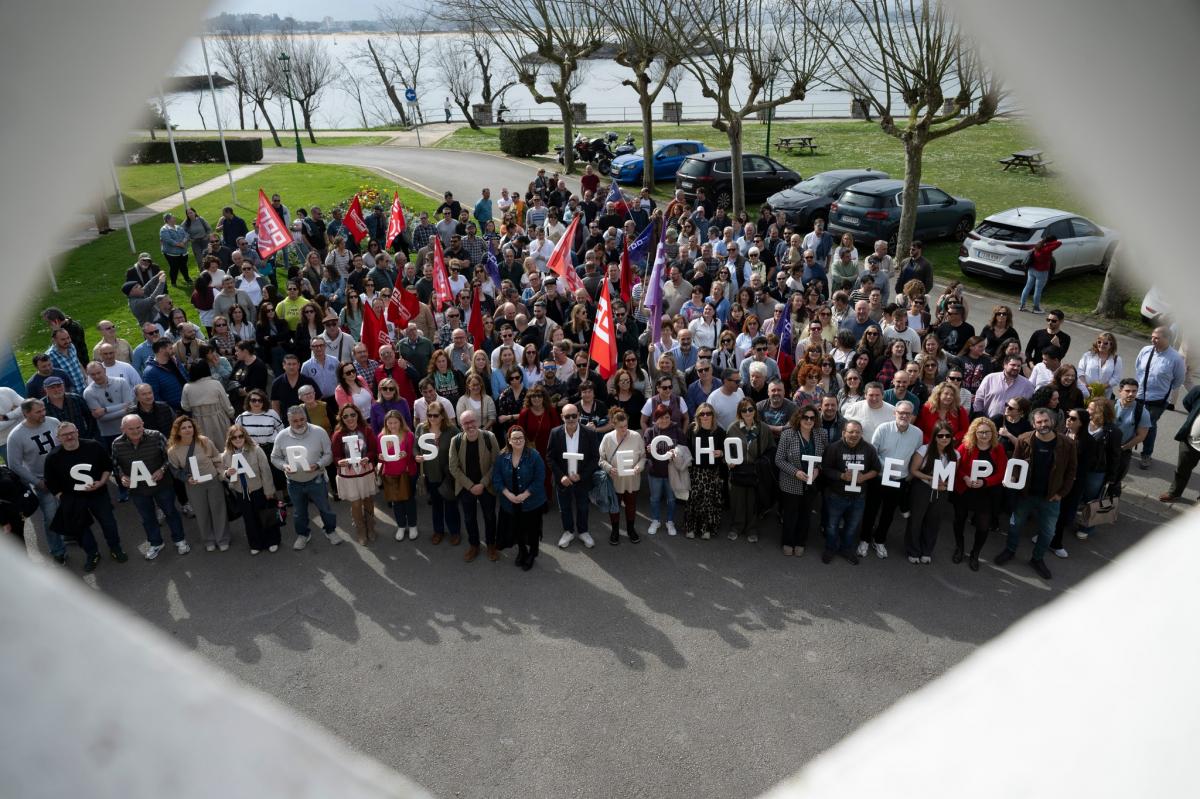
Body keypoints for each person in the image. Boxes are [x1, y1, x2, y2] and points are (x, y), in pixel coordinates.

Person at [996, 408, 1077, 580]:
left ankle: (1037, 559)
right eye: (1039, 422)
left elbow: (1071, 472)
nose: (1043, 425)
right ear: (1033, 424)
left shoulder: (1067, 444)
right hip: (1025, 494)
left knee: (1048, 532)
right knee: (1015, 526)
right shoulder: (1024, 439)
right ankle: (1010, 551)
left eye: (1046, 421)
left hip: (1051, 497)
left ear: (1052, 421)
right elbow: (1016, 465)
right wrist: (1011, 479)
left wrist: (1061, 494)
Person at [43, 422, 127, 571]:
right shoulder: (53, 457)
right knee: (81, 529)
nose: (69, 436)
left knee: (108, 523)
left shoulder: (93, 446)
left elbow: (107, 467)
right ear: (58, 438)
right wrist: (63, 498)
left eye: (72, 432)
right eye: (65, 435)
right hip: (73, 499)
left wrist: (101, 482)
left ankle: (115, 548)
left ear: (77, 432)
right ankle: (92, 554)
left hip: (98, 494)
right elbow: (50, 482)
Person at [112, 413, 188, 560]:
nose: (135, 431)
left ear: (143, 424)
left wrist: (162, 470)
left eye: (138, 427)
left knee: (171, 512)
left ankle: (180, 540)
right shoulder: (116, 444)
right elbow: (116, 465)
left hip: (162, 485)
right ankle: (156, 543)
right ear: (123, 429)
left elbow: (170, 458)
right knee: (147, 518)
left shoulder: (156, 436)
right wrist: (122, 476)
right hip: (138, 489)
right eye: (131, 428)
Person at [271, 406, 341, 551]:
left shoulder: (319, 432)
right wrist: (284, 466)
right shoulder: (282, 436)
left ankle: (330, 530)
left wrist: (318, 464)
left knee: (325, 509)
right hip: (294, 482)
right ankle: (303, 535)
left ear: (306, 418)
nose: (299, 423)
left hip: (316, 479)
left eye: (302, 419)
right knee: (299, 512)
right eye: (294, 421)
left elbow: (329, 455)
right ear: (288, 420)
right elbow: (274, 458)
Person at [863, 401, 924, 559]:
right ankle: (864, 539)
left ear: (912, 415)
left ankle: (880, 540)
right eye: (901, 412)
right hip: (879, 477)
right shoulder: (883, 429)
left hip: (899, 479)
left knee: (889, 513)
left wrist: (910, 474)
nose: (904, 416)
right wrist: (886, 466)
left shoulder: (918, 433)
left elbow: (915, 456)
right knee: (871, 509)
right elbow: (872, 452)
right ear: (894, 413)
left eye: (908, 413)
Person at [7, 399, 65, 562]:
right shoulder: (17, 435)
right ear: (26, 413)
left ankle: (69, 536)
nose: (43, 414)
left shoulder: (53, 422)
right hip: (42, 481)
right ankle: (58, 550)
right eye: (38, 412)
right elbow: (15, 465)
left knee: (68, 508)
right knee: (51, 517)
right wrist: (37, 483)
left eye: (44, 410)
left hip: (63, 476)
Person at [950, 416, 1008, 571]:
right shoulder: (965, 446)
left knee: (983, 526)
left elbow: (1002, 472)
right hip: (964, 490)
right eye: (981, 432)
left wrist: (985, 482)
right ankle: (959, 548)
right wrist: (965, 477)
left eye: (987, 432)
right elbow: (957, 467)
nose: (984, 435)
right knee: (959, 520)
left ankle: (975, 554)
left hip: (986, 493)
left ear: (993, 433)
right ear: (974, 433)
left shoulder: (998, 448)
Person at [820, 419, 880, 565]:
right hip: (836, 495)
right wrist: (841, 475)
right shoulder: (833, 448)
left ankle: (846, 549)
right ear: (843, 433)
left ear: (862, 434)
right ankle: (830, 548)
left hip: (858, 496)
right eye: (851, 432)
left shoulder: (869, 449)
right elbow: (825, 469)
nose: (854, 435)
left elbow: (876, 469)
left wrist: (864, 477)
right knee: (832, 526)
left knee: (852, 527)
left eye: (857, 432)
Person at [166, 416, 228, 552]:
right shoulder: (173, 450)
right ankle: (208, 540)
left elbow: (217, 458)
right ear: (177, 431)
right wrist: (186, 478)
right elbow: (175, 470)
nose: (187, 430)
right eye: (183, 428)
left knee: (218, 510)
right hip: (194, 485)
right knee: (201, 513)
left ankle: (222, 539)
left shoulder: (204, 441)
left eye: (190, 427)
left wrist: (220, 474)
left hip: (212, 481)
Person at [447, 409, 500, 562]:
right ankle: (474, 545)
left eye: (472, 422)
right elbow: (453, 467)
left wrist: (482, 483)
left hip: (486, 485)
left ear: (477, 421)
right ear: (460, 425)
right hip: (466, 487)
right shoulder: (455, 441)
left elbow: (496, 463)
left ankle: (491, 544)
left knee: (490, 516)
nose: (470, 425)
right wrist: (471, 486)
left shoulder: (489, 437)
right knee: (469, 518)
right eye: (465, 423)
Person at [493, 425, 548, 571]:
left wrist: (525, 494)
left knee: (533, 529)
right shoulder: (502, 456)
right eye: (515, 438)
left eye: (521, 438)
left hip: (532, 501)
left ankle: (532, 552)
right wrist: (508, 494)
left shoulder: (534, 455)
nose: (518, 441)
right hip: (510, 501)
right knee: (517, 528)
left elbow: (540, 478)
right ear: (509, 441)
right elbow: (496, 478)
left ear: (525, 439)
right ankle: (522, 550)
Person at [222, 423, 281, 555]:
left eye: (240, 436)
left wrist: (269, 491)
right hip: (241, 492)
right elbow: (223, 472)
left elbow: (265, 471)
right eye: (234, 437)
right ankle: (256, 543)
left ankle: (272, 541)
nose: (238, 439)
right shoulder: (227, 454)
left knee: (265, 516)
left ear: (245, 436)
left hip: (258, 489)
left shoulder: (256, 450)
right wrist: (227, 474)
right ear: (230, 439)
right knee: (249, 519)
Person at [904, 420, 958, 564]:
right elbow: (913, 471)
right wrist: (931, 479)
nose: (944, 438)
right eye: (940, 436)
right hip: (922, 488)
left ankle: (927, 551)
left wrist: (944, 485)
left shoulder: (955, 454)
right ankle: (913, 550)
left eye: (947, 435)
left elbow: (952, 475)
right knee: (916, 519)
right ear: (935, 437)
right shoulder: (924, 450)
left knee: (934, 521)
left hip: (941, 491)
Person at [1133, 326, 1186, 468]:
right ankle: (1129, 446)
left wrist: (1163, 390)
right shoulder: (1145, 350)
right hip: (1139, 395)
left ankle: (1146, 455)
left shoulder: (1176, 358)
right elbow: (1138, 368)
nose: (1153, 340)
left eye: (1157, 338)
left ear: (1167, 339)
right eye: (1152, 337)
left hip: (1158, 399)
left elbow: (1178, 380)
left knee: (1148, 426)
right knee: (1133, 421)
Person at [725, 399, 775, 543]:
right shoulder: (732, 428)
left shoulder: (763, 428)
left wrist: (764, 462)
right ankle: (736, 527)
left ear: (755, 410)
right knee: (737, 501)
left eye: (750, 409)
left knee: (753, 502)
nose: (747, 413)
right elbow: (727, 451)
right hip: (737, 470)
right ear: (739, 412)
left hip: (756, 470)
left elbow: (771, 449)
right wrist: (728, 462)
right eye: (744, 410)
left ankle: (752, 529)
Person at [331, 404, 379, 546]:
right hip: (349, 474)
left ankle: (371, 527)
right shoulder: (338, 434)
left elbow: (373, 450)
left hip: (365, 471)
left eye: (353, 414)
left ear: (358, 415)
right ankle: (360, 530)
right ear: (342, 418)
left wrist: (368, 457)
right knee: (356, 503)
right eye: (345, 416)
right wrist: (340, 461)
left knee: (368, 500)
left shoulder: (366, 430)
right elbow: (335, 456)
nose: (350, 418)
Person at [415, 404, 461, 545]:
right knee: (436, 504)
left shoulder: (452, 430)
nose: (432, 418)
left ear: (442, 415)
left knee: (451, 503)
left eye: (435, 415)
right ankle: (438, 531)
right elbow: (415, 447)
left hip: (448, 474)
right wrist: (417, 456)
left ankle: (455, 532)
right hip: (431, 473)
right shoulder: (421, 428)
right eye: (429, 415)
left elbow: (460, 448)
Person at [598, 409, 646, 545]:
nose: (624, 429)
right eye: (621, 427)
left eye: (626, 425)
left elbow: (643, 457)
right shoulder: (607, 438)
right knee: (615, 506)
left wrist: (640, 467)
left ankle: (631, 530)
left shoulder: (636, 436)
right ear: (614, 425)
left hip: (632, 479)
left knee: (631, 505)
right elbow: (601, 459)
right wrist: (608, 468)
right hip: (615, 480)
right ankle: (615, 531)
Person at [377, 410, 418, 542]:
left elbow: (413, 455)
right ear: (386, 423)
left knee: (409, 500)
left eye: (395, 422)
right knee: (396, 502)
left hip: (407, 473)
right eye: (390, 423)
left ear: (400, 422)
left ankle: (412, 525)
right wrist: (381, 458)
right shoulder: (381, 437)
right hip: (390, 474)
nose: (393, 425)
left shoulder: (408, 435)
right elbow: (381, 459)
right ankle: (401, 526)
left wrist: (406, 455)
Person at [686, 402, 726, 540]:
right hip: (696, 471)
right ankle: (691, 527)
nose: (705, 416)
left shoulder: (720, 432)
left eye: (708, 413)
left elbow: (726, 452)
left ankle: (706, 529)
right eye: (702, 413)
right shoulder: (692, 429)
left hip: (712, 471)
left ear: (713, 415)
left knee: (709, 501)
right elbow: (687, 449)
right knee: (694, 499)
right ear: (698, 415)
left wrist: (721, 453)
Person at [180, 360, 234, 446]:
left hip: (199, 422)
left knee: (205, 449)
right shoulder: (216, 384)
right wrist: (232, 416)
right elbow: (226, 404)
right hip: (219, 420)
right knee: (225, 447)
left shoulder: (187, 387)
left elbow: (185, 407)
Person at [1018, 234, 1061, 313]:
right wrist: (1049, 242)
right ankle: (1036, 308)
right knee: (1038, 290)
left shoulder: (1038, 245)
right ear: (1051, 242)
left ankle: (1022, 306)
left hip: (1031, 269)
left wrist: (1045, 240)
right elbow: (1059, 243)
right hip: (1042, 272)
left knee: (1027, 287)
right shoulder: (1047, 249)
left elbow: (1055, 242)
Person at [1077, 332, 1123, 399]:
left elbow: (1116, 378)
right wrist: (1085, 386)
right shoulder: (1088, 355)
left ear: (1111, 344)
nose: (1101, 345)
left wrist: (1101, 388)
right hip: (1086, 392)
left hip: (1104, 395)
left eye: (1105, 343)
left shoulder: (1116, 359)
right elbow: (1080, 371)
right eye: (1099, 342)